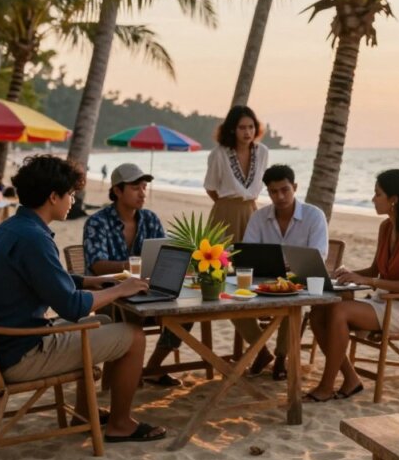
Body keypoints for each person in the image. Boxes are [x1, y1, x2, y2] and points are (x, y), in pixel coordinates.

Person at [0, 154, 166, 442]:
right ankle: (121, 424)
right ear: (53, 197)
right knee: (134, 336)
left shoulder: (13, 228)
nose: (73, 200)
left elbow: (46, 282)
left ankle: (85, 413)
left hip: (1, 345)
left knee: (101, 321)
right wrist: (120, 289)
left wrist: (92, 281)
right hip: (20, 354)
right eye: (71, 194)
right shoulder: (34, 239)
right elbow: (72, 306)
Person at [304, 169, 399, 402]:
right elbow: (375, 269)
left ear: (393, 199)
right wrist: (350, 274)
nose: (373, 199)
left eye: (378, 194)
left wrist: (369, 282)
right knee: (319, 312)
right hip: (383, 300)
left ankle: (326, 386)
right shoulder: (386, 227)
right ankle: (351, 379)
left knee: (339, 310)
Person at [83, 163, 187, 387]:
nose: (142, 192)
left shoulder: (150, 219)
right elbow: (97, 265)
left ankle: (152, 369)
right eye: (135, 187)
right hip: (111, 295)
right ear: (118, 191)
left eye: (144, 186)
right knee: (127, 317)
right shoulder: (97, 222)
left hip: (147, 291)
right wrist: (133, 267)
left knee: (185, 314)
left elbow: (164, 254)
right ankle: (120, 377)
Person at [242, 164, 329, 380]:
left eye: (285, 190)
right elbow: (247, 252)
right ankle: (261, 352)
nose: (280, 196)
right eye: (273, 191)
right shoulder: (259, 217)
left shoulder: (314, 215)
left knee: (293, 301)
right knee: (229, 299)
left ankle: (282, 357)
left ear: (295, 187)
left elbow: (319, 254)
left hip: (300, 280)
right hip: (263, 281)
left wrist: (288, 267)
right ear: (268, 192)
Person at [203, 105, 269, 244]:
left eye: (251, 127)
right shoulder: (219, 154)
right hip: (225, 213)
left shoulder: (262, 152)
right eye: (242, 127)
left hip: (251, 211)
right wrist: (227, 205)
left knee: (251, 261)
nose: (248, 132)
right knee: (222, 262)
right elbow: (210, 187)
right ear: (232, 129)